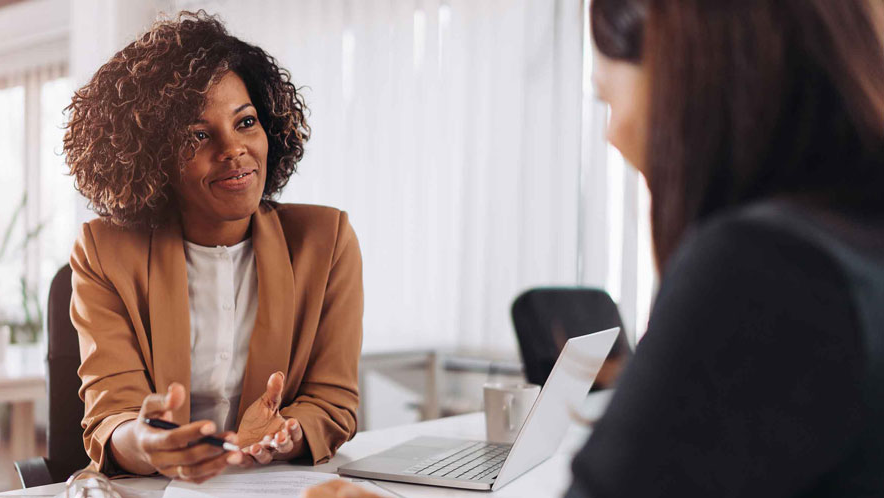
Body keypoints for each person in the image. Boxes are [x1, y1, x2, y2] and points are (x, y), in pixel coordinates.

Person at [307, 0, 884, 495]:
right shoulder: (850, 242)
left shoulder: (765, 270)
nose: (612, 134)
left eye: (608, 98)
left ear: (692, 78)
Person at [64, 11, 363, 483]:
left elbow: (333, 400)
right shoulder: (105, 251)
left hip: (274, 488)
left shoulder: (325, 242)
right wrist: (150, 444)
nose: (233, 149)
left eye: (245, 122)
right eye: (198, 135)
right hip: (154, 490)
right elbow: (112, 416)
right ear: (153, 156)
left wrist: (287, 433)